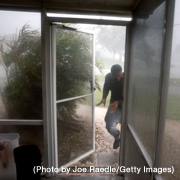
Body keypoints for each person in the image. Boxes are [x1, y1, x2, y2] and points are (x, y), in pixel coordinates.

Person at [96, 64, 123, 149]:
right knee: (109, 125)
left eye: (119, 75)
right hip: (113, 105)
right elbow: (106, 87)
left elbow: (132, 95)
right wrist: (104, 97)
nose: (118, 78)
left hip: (126, 106)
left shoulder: (127, 78)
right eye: (115, 76)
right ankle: (117, 137)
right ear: (111, 74)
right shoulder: (108, 77)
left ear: (121, 71)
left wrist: (119, 102)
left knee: (128, 128)